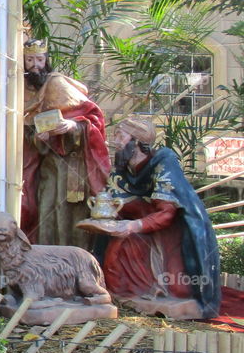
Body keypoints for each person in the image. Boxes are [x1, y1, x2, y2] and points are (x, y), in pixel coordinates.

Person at [92, 115, 221, 319]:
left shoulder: (163, 160)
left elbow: (167, 213)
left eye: (120, 135)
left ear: (137, 141)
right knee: (117, 247)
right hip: (134, 228)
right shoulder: (122, 169)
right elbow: (113, 202)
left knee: (173, 283)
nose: (114, 141)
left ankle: (152, 290)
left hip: (169, 232)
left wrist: (134, 225)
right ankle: (125, 293)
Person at [21, 38, 110, 247]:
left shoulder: (57, 84)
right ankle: (48, 265)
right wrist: (38, 138)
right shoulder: (21, 92)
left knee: (73, 218)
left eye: (40, 60)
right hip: (49, 169)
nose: (35, 65)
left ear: (47, 60)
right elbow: (28, 139)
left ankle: (76, 263)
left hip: (74, 169)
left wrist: (72, 126)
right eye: (30, 60)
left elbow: (93, 120)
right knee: (46, 212)